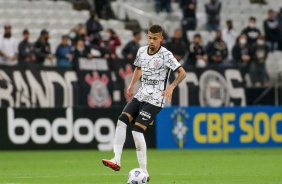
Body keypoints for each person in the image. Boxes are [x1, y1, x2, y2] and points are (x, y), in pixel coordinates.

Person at [102, 24, 186, 182]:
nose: (151, 41)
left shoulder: (166, 55)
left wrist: (171, 87)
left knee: (136, 131)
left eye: (155, 38)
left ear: (161, 38)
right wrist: (131, 85)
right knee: (121, 121)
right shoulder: (141, 51)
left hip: (156, 98)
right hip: (141, 94)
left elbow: (182, 73)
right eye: (149, 37)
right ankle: (116, 160)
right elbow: (138, 69)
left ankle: (144, 172)